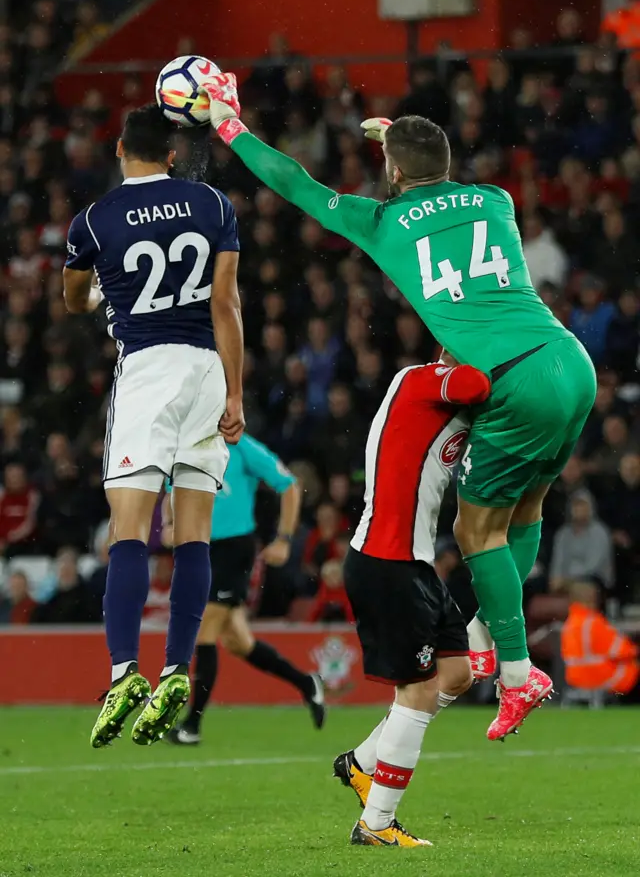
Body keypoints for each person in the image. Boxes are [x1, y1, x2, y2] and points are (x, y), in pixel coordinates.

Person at [198, 74, 597, 741]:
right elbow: (439, 181)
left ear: (391, 170)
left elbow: (293, 181)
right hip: (568, 359)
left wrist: (229, 126)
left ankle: (519, 671)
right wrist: (400, 142)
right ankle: (482, 635)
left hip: (510, 379)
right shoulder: (495, 200)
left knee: (475, 535)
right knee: (524, 513)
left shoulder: (378, 219)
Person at [63, 104, 244, 748]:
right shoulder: (212, 204)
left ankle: (121, 674)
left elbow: (74, 298)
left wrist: (97, 295)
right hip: (207, 370)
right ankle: (176, 667)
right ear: (171, 153)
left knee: (129, 530)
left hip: (146, 369)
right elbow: (225, 303)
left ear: (119, 149)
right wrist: (237, 393)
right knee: (193, 532)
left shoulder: (94, 220)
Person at [334, 354, 487, 846]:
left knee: (458, 675)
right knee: (417, 692)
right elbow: (477, 382)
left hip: (413, 563)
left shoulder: (435, 392)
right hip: (387, 560)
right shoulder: (425, 381)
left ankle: (361, 763)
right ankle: (376, 824)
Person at [165, 433, 325, 745]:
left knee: (204, 628)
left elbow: (289, 485)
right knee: (239, 641)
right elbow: (171, 495)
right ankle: (306, 683)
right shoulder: (183, 447)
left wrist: (284, 539)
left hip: (233, 549)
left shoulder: (240, 446)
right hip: (199, 548)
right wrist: (169, 523)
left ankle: (192, 725)